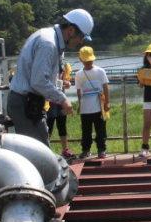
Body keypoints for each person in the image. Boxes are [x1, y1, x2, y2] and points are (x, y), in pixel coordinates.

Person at [8, 8, 94, 145]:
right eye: (81, 37)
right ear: (71, 30)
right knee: (37, 153)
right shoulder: (49, 44)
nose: (81, 42)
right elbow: (39, 81)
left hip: (30, 102)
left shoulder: (53, 41)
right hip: (24, 103)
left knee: (40, 150)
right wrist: (63, 99)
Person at [75, 46, 109, 159]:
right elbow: (79, 91)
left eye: (90, 61)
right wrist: (80, 105)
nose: (88, 63)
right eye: (86, 61)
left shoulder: (100, 71)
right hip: (85, 108)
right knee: (86, 131)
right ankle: (86, 150)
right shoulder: (79, 74)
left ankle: (101, 149)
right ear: (81, 60)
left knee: (101, 130)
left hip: (99, 106)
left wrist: (107, 103)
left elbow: (105, 87)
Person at [46, 62, 74, 159]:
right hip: (49, 102)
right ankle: (45, 150)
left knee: (62, 125)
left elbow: (66, 83)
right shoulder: (47, 67)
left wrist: (67, 83)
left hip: (61, 102)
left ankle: (65, 149)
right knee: (48, 126)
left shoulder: (63, 66)